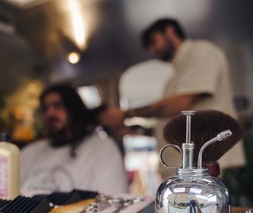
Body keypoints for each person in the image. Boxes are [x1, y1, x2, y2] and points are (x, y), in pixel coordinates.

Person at [98, 18, 245, 179]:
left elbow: (181, 103)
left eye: (154, 42)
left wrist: (126, 114)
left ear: (170, 31)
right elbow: (171, 121)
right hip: (181, 166)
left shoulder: (200, 52)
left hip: (200, 165)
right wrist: (131, 131)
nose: (153, 50)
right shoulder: (174, 77)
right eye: (149, 47)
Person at [20, 83, 128, 194]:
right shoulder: (31, 151)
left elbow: (110, 198)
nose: (50, 113)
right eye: (45, 108)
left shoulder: (102, 148)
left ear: (73, 109)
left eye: (57, 105)